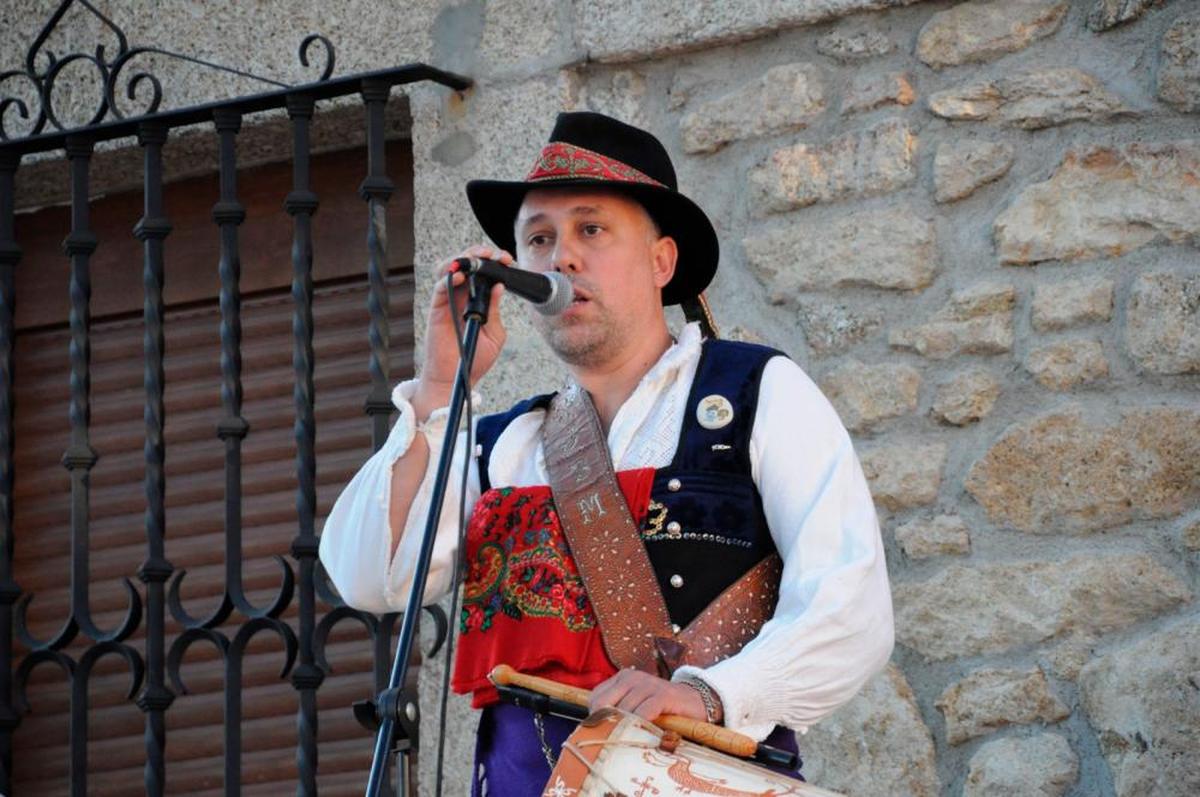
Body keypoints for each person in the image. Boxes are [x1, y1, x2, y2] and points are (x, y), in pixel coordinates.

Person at [319, 111, 893, 795]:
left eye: (590, 229)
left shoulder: (757, 392)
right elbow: (368, 575)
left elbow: (849, 602)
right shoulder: (504, 447)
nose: (560, 256)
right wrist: (443, 383)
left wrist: (711, 695)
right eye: (539, 237)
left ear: (661, 261)